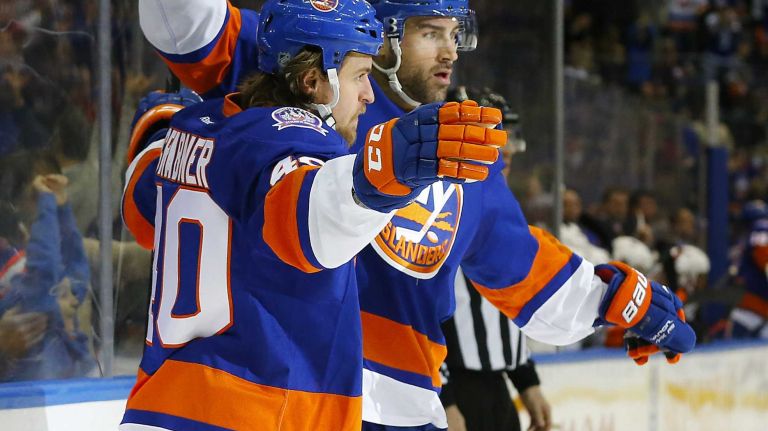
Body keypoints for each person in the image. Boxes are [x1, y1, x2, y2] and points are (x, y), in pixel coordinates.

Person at [135, 1, 697, 430]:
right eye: (430, 33)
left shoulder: (465, 151)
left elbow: (528, 271)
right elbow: (186, 23)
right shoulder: (319, 57)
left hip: (401, 407)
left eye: (455, 34)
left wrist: (619, 301)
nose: (450, 52)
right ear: (383, 39)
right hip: (292, 390)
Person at [121, 1, 503, 429]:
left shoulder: (195, 126)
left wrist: (155, 131)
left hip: (157, 406)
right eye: (360, 75)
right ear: (312, 81)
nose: (369, 94)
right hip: (256, 410)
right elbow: (306, 220)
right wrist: (383, 173)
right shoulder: (297, 139)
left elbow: (141, 214)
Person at [0, 153, 92, 381]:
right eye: (38, 197)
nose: (72, 300)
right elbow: (44, 272)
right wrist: (49, 205)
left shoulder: (51, 272)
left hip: (65, 387)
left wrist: (62, 207)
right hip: (25, 393)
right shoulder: (22, 284)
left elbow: (77, 274)